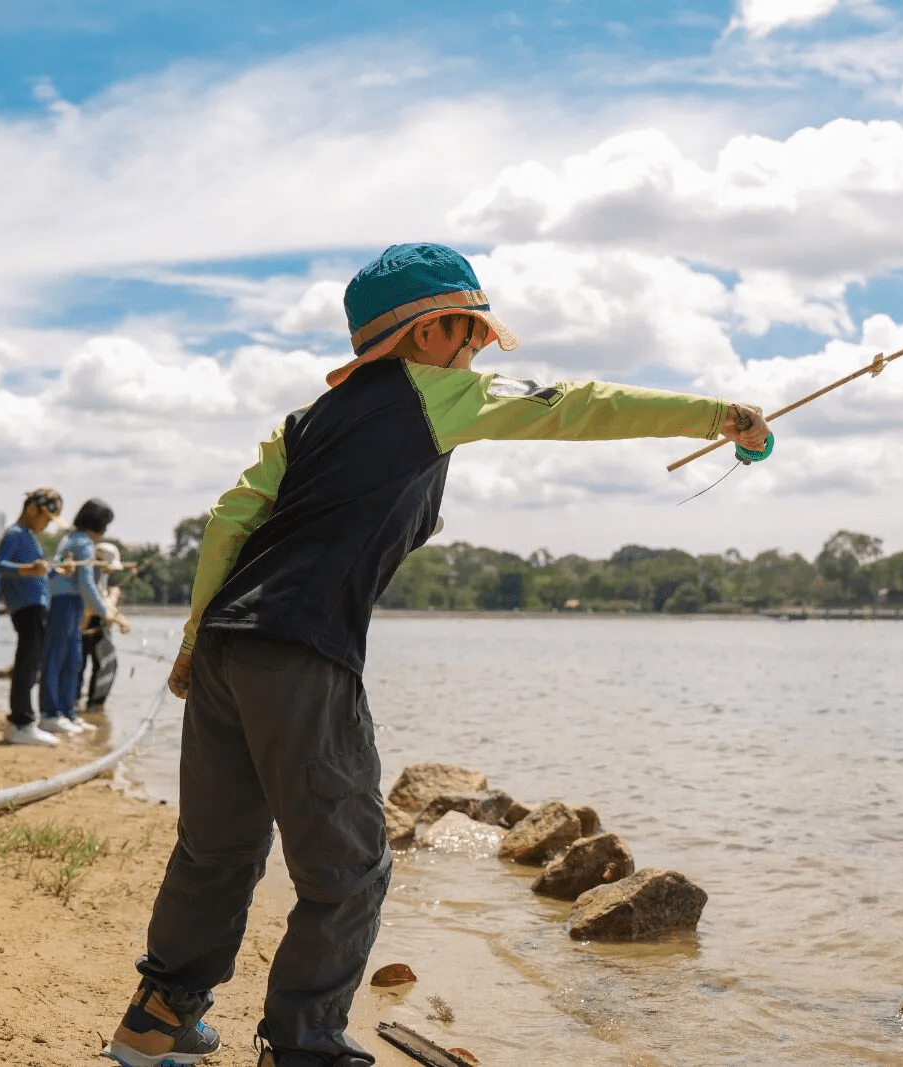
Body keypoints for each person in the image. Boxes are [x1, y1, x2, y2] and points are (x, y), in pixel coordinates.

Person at [104, 243, 774, 1067]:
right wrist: (717, 412)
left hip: (224, 649)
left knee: (217, 849)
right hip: (303, 651)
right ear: (429, 333)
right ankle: (303, 1046)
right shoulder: (439, 393)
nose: (482, 349)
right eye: (474, 332)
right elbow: (579, 404)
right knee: (351, 868)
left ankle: (158, 1019)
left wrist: (191, 638)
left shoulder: (301, 424)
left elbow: (227, 522)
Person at [39, 498, 113, 735]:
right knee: (57, 659)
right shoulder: (84, 544)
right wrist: (105, 611)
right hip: (65, 602)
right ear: (98, 524)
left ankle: (67, 713)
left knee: (73, 660)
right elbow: (86, 583)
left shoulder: (70, 539)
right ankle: (50, 714)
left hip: (70, 603)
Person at [0, 488, 63, 745]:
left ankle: (22, 721)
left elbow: (39, 576)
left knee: (32, 663)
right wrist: (28, 568)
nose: (46, 524)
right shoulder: (15, 534)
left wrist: (57, 570)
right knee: (26, 663)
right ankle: (20, 723)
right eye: (46, 518)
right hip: (26, 607)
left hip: (37, 605)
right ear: (32, 510)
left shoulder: (31, 538)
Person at [78, 540, 130, 713]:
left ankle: (84, 704)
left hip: (95, 623)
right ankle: (92, 705)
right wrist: (119, 619)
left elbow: (102, 601)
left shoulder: (100, 575)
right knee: (103, 663)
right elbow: (96, 604)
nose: (110, 570)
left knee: (87, 665)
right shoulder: (92, 573)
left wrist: (115, 611)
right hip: (88, 624)